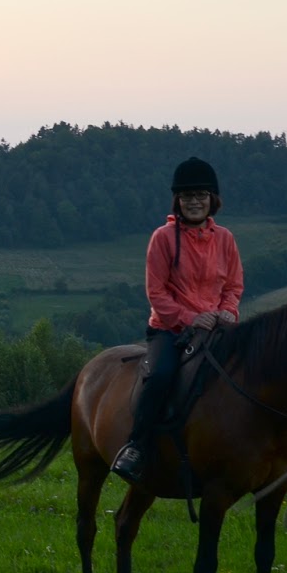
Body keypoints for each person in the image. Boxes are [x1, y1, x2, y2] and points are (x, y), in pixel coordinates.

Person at [110, 158, 244, 484]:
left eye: (200, 195)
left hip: (217, 327)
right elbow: (156, 293)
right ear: (178, 201)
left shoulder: (225, 239)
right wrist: (191, 318)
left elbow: (233, 285)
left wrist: (228, 310)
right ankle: (136, 446)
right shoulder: (163, 238)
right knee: (159, 376)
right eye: (187, 196)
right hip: (170, 330)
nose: (194, 201)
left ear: (212, 199)